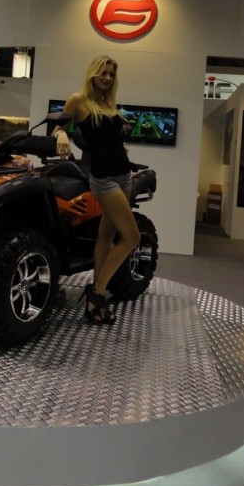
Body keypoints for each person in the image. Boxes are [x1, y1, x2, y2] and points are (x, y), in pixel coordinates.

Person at [55, 55, 141, 325]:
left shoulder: (107, 103)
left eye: (111, 74)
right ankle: (97, 294)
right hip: (103, 179)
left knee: (106, 236)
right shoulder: (78, 100)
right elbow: (56, 127)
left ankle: (95, 293)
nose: (107, 78)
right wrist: (61, 134)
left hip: (124, 175)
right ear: (93, 73)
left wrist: (119, 146)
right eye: (103, 73)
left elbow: (107, 138)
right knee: (132, 238)